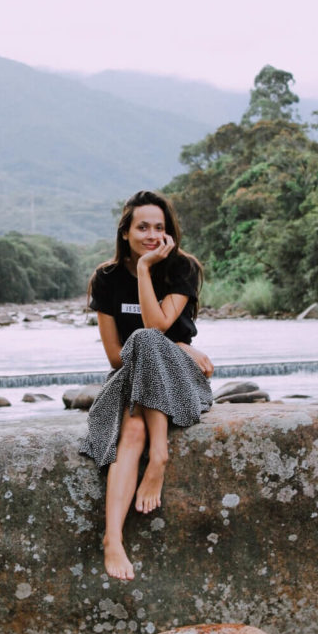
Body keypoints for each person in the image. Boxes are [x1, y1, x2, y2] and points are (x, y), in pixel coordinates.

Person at [79, 190, 214, 581]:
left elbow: (156, 328)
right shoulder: (105, 278)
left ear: (170, 232)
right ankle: (114, 539)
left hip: (181, 380)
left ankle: (159, 457)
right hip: (130, 374)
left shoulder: (182, 269)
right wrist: (183, 346)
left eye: (160, 227)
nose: (152, 235)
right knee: (132, 424)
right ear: (126, 232)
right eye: (143, 227)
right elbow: (116, 357)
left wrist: (177, 351)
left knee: (147, 339)